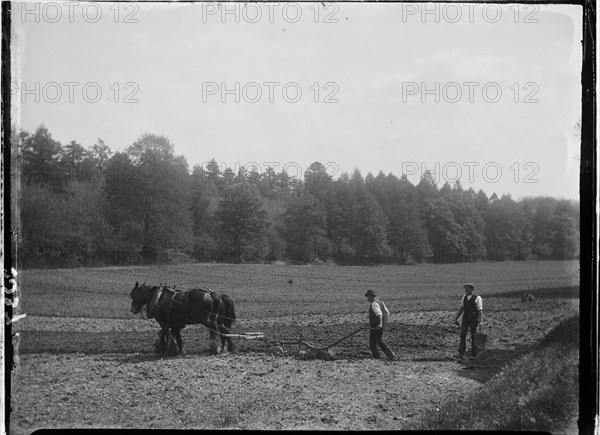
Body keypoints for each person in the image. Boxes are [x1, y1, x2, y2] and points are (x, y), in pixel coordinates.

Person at [453, 283, 483, 359]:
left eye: (468, 288)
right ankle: (461, 352)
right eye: (465, 288)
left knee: (474, 336)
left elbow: (480, 311)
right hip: (465, 319)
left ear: (472, 289)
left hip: (473, 319)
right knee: (462, 335)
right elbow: (462, 308)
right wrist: (456, 318)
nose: (466, 290)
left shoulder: (477, 298)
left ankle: (474, 354)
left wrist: (480, 321)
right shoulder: (464, 297)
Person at [365, 289, 396, 361]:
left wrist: (379, 323)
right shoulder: (380, 302)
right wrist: (384, 322)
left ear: (371, 296)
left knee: (373, 342)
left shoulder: (374, 304)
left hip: (376, 325)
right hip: (379, 324)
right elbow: (387, 313)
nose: (367, 298)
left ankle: (376, 356)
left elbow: (379, 314)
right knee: (379, 340)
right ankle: (390, 354)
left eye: (368, 296)